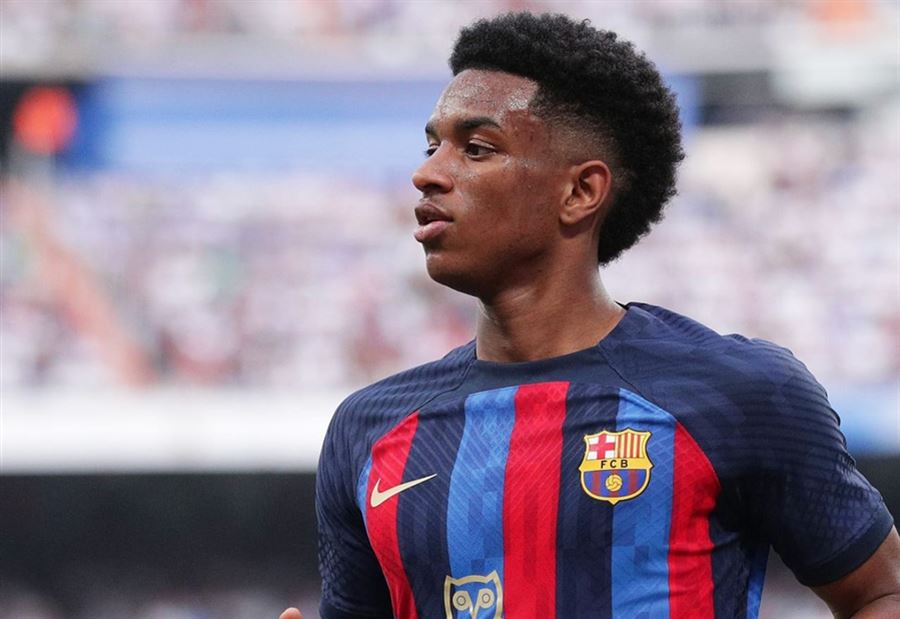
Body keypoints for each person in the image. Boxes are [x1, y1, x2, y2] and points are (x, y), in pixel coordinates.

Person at [284, 12, 900, 619]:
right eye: (431, 146)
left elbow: (881, 593)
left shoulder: (740, 393)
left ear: (580, 192)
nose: (426, 174)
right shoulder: (368, 429)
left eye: (476, 149)